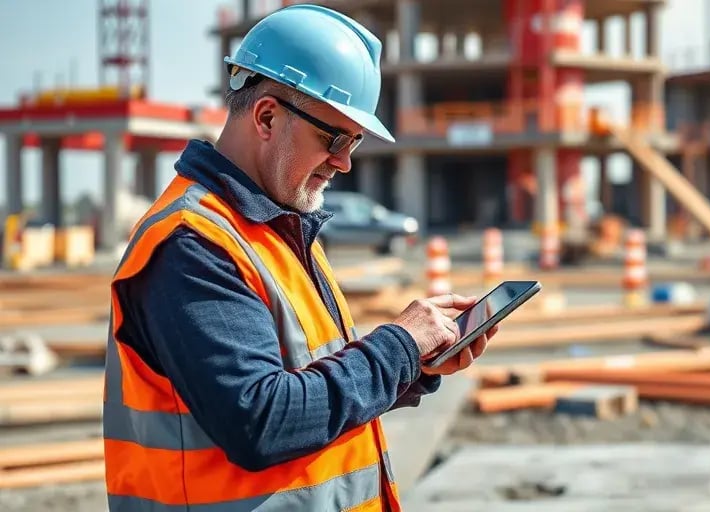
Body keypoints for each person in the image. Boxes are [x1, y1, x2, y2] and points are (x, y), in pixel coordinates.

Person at [102, 5, 496, 511]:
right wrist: (397, 346)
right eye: (334, 137)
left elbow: (314, 391)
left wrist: (414, 365)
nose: (344, 161)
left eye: (353, 141)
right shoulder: (191, 244)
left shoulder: (280, 230)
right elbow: (262, 420)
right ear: (266, 116)